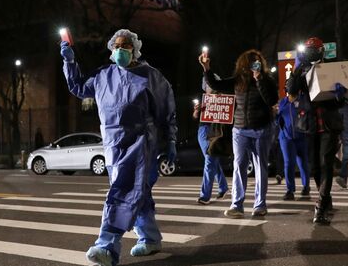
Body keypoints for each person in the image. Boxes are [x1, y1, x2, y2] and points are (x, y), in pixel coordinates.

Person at [60, 29, 178, 266]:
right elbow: (79, 87)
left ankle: (107, 245)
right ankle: (151, 237)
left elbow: (167, 112)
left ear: (134, 49)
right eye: (116, 46)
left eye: (125, 46)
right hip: (113, 143)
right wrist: (69, 61)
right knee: (138, 193)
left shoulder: (151, 77)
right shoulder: (104, 74)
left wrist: (171, 142)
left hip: (140, 143)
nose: (120, 50)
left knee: (123, 191)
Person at [198, 49, 278, 218]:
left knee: (260, 167)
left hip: (262, 129)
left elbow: (271, 100)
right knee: (239, 165)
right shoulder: (237, 81)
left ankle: (260, 205)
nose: (253, 66)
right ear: (243, 65)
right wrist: (207, 68)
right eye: (250, 63)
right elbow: (216, 85)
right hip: (240, 130)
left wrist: (259, 79)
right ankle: (237, 205)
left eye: (257, 63)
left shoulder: (266, 80)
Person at [287, 37, 347, 225]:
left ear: (321, 50)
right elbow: (291, 90)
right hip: (311, 124)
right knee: (314, 167)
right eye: (309, 48)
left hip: (328, 123)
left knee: (325, 164)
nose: (311, 51)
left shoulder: (331, 68)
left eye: (314, 48)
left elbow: (343, 100)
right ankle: (326, 198)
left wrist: (340, 94)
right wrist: (297, 70)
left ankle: (320, 207)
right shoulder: (302, 69)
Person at [193, 76, 229, 205]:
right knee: (212, 160)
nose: (209, 87)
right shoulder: (203, 98)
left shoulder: (222, 97)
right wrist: (197, 112)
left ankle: (205, 195)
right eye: (207, 84)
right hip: (203, 130)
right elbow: (196, 116)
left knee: (210, 160)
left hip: (216, 130)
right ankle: (223, 187)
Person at [277, 90, 311, 200]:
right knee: (288, 163)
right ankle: (290, 190)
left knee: (303, 162)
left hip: (301, 137)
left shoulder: (303, 101)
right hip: (286, 138)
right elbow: (277, 118)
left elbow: (309, 114)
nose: (292, 95)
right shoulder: (283, 103)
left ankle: (306, 186)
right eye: (290, 91)